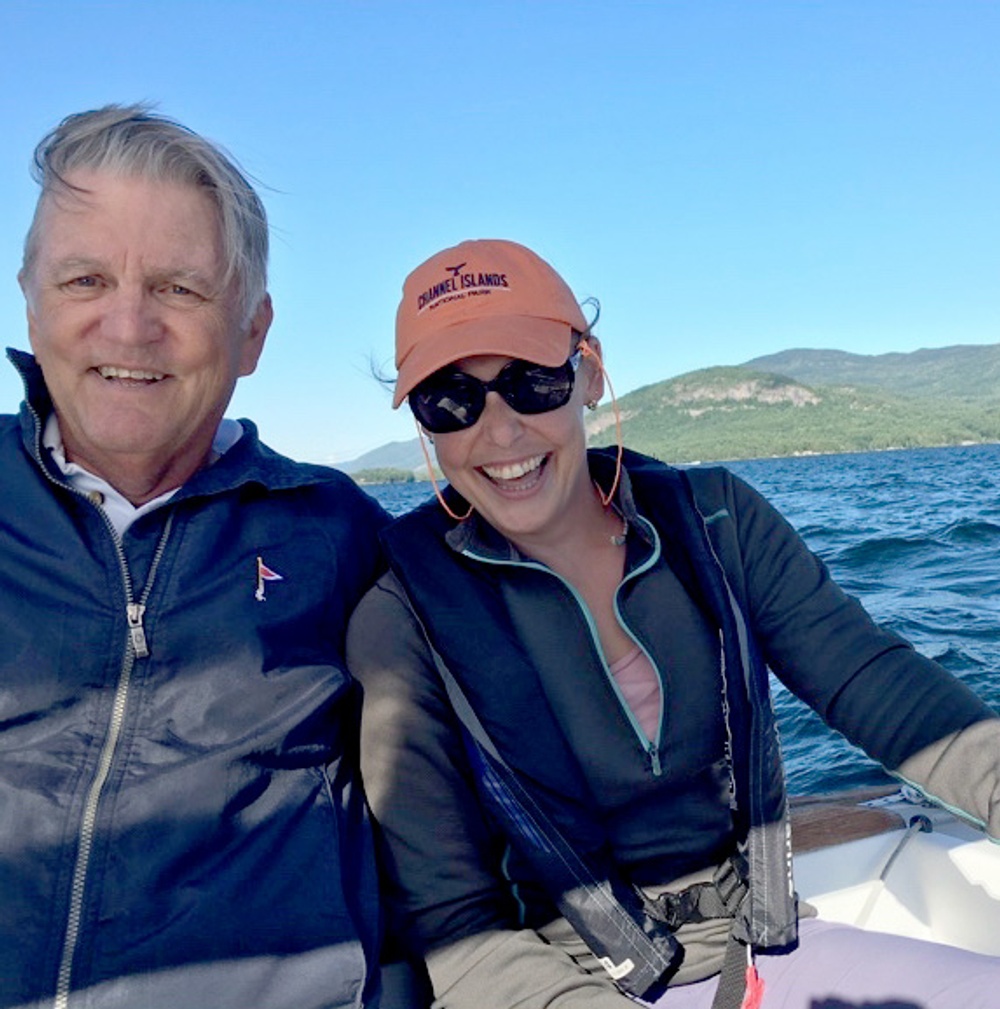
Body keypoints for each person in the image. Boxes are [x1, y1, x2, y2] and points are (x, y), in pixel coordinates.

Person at [346, 238, 1000, 1009]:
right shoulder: (402, 623)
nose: (499, 431)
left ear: (588, 371)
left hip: (763, 942)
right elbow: (457, 928)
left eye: (531, 381)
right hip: (567, 986)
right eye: (449, 399)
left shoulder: (718, 521)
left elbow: (885, 691)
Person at [2, 105, 388, 1009]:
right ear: (31, 299)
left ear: (252, 331)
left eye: (178, 289)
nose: (129, 328)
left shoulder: (336, 531)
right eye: (86, 279)